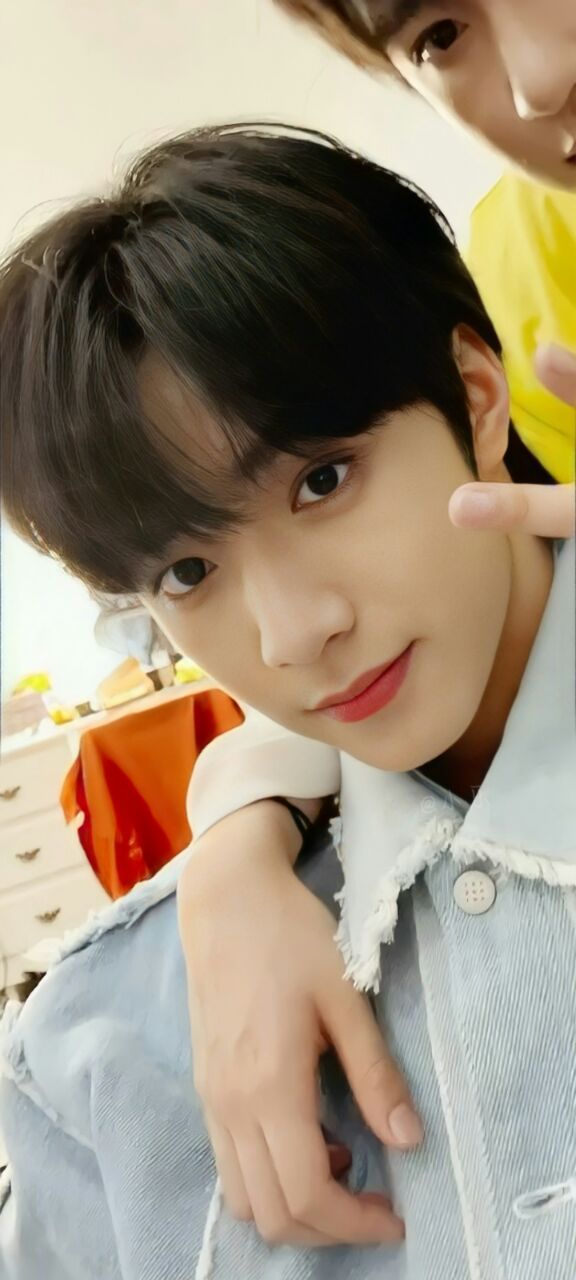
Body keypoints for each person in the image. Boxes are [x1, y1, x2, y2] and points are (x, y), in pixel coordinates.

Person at [0, 128, 575, 1279]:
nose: (289, 632)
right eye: (187, 571)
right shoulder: (100, 1040)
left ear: (476, 395)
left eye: (322, 479)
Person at [174, 0, 576, 1241]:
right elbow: (484, 570)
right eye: (438, 30)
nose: (543, 77)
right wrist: (232, 850)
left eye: (322, 478)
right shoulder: (529, 263)